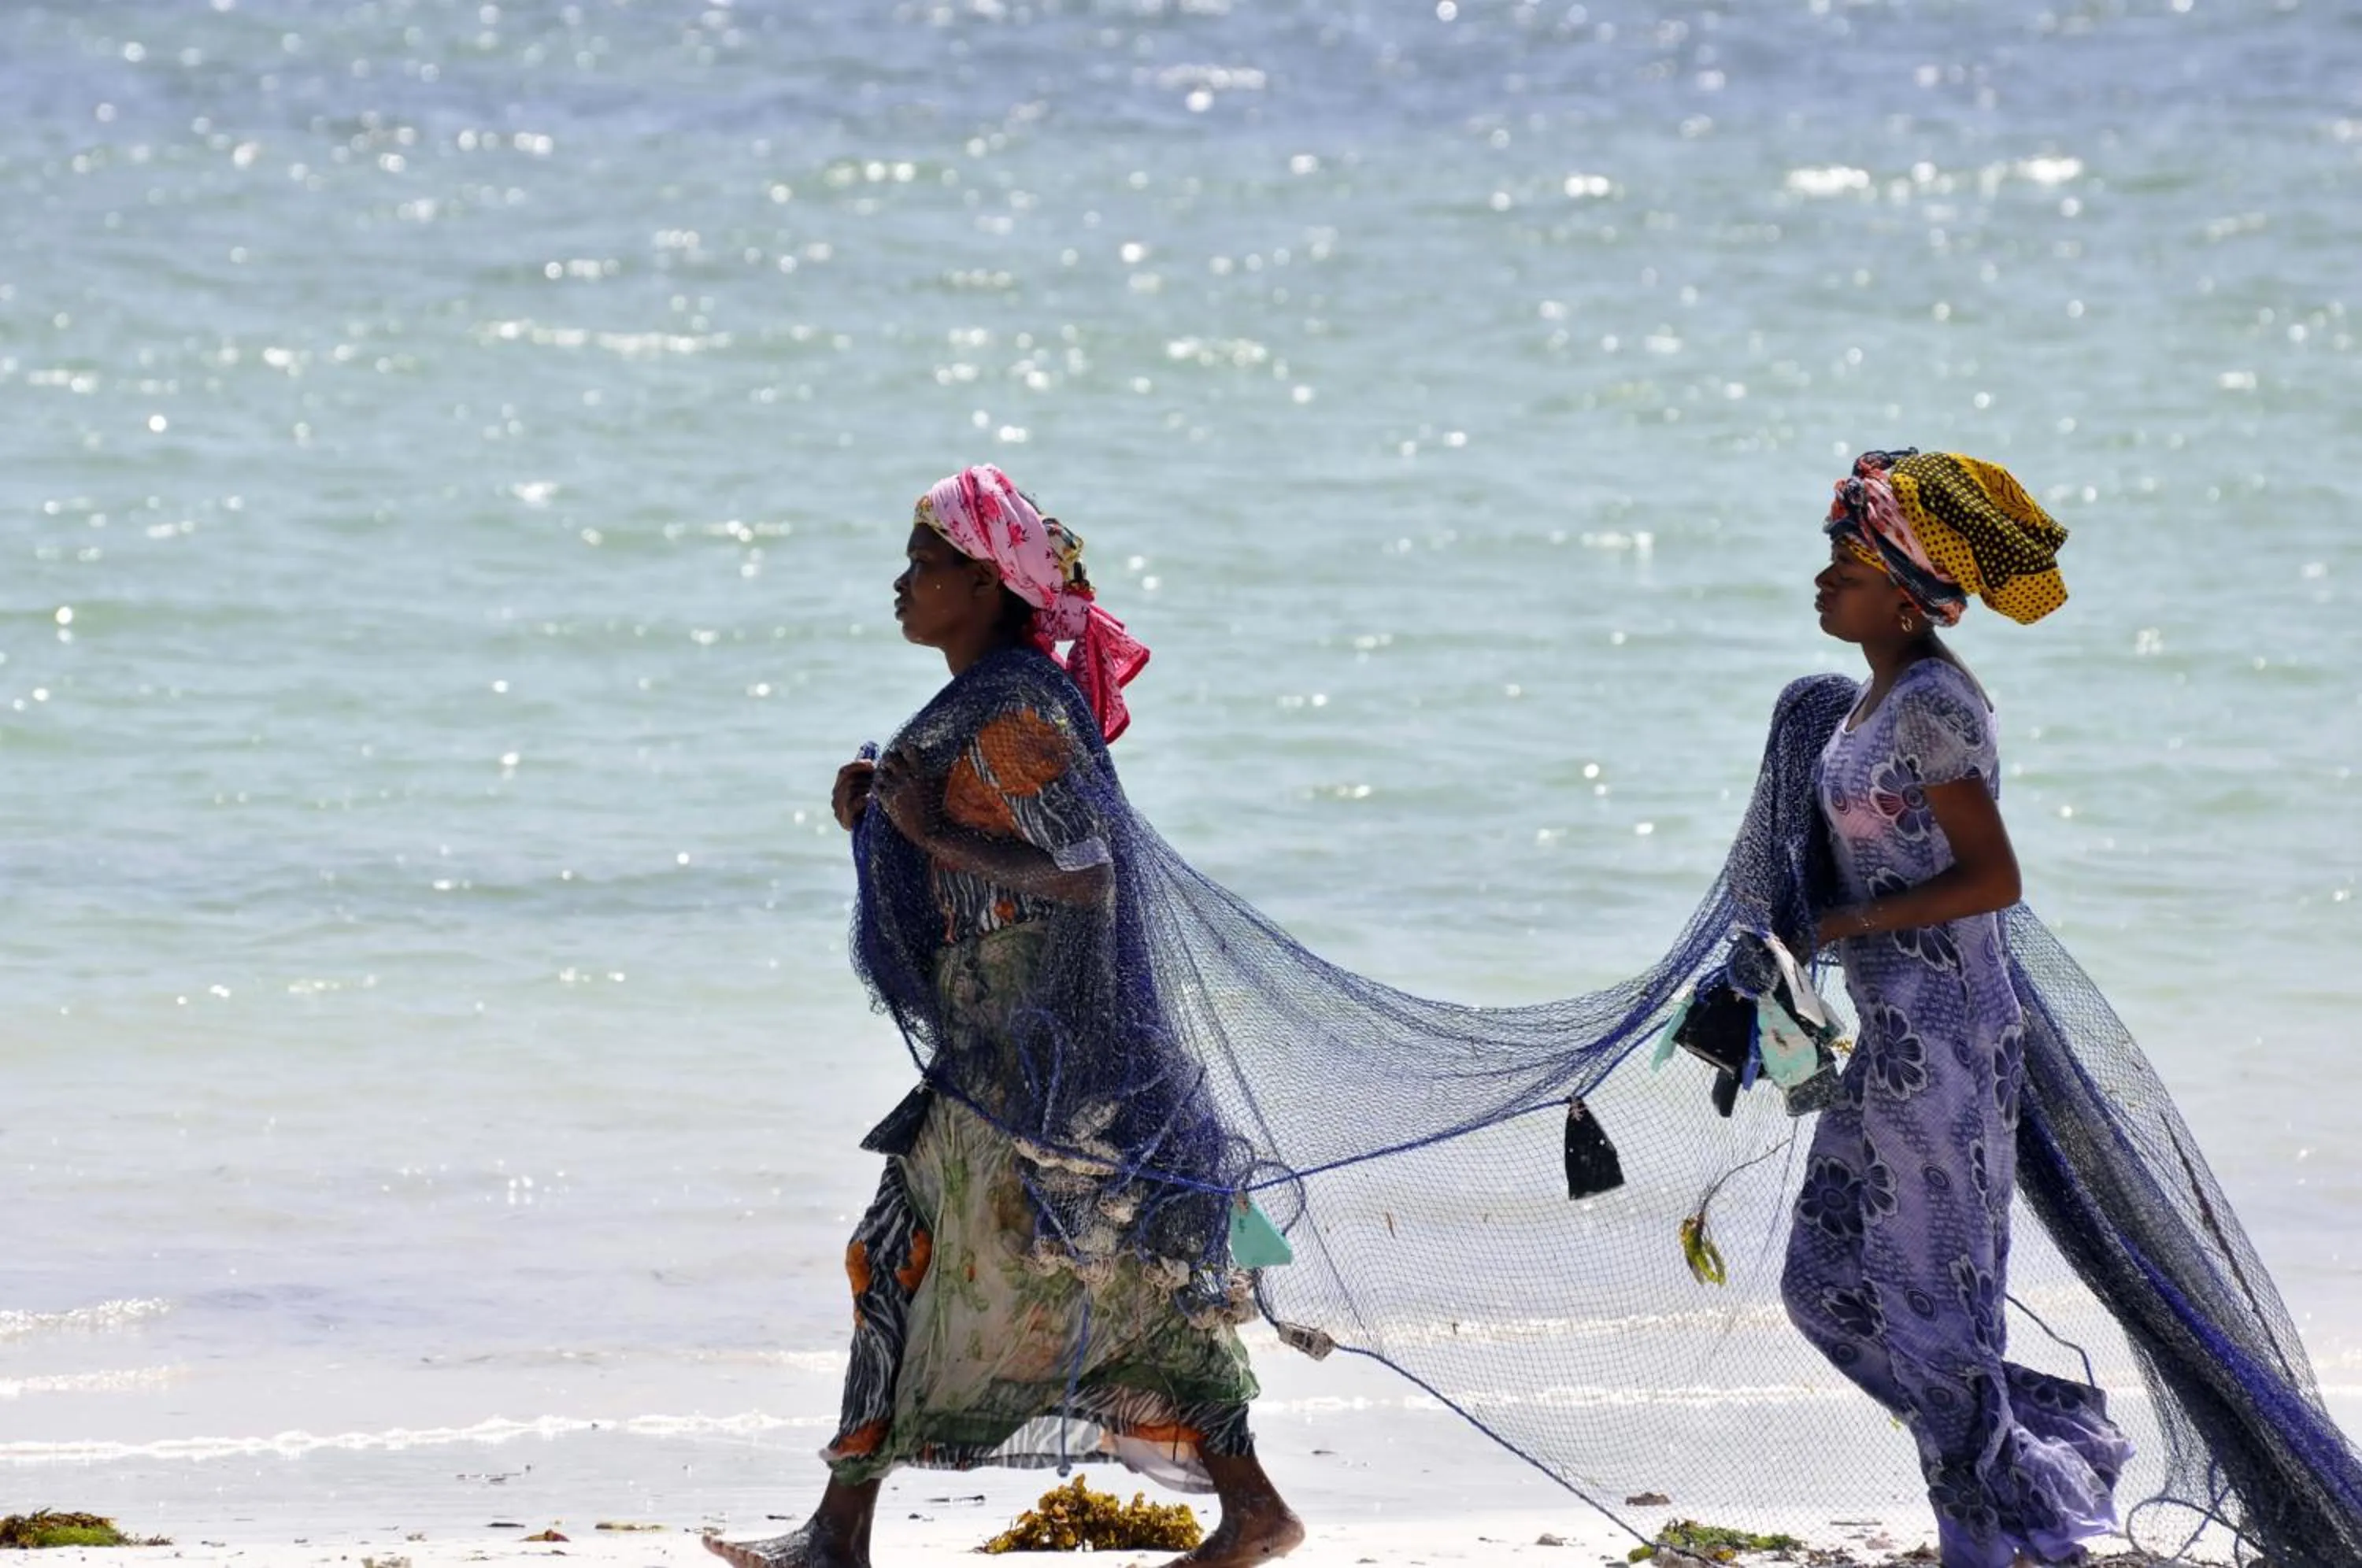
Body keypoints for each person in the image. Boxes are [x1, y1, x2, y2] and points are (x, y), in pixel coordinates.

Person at [705, 464, 1303, 1568]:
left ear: (984, 587)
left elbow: (1091, 874)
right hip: (1003, 1049)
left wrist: (928, 835)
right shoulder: (984, 703)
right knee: (1032, 1269)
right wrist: (875, 820)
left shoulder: (1019, 711)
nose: (902, 583)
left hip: (1043, 1058)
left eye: (925, 566)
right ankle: (1247, 1505)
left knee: (945, 1260)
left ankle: (843, 1537)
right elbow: (966, 848)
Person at [1781, 449, 2132, 1566]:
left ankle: (1984, 1532)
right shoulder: (1861, 707)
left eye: (1845, 563)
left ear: (1902, 585)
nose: (1824, 583)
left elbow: (1993, 879)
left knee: (1932, 1298)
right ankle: (2037, 1458)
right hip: (1883, 1037)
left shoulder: (1934, 705)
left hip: (1949, 1033)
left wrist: (1844, 927)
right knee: (1826, 1287)